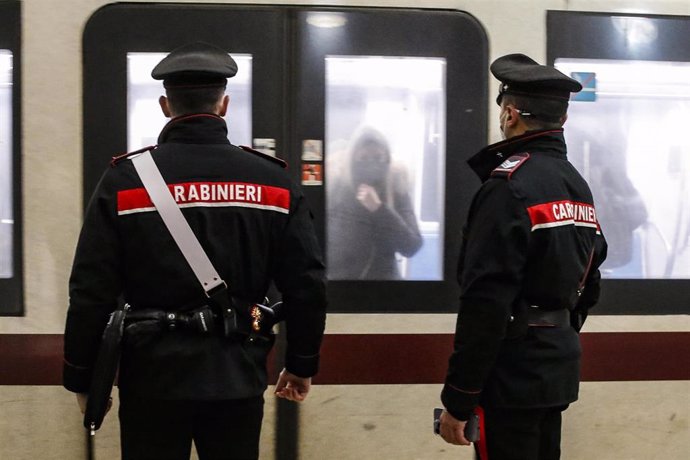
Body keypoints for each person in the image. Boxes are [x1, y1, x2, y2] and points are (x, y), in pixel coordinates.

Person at [63, 42, 327, 460]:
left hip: (152, 378)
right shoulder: (272, 182)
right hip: (236, 375)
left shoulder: (126, 181)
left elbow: (90, 289)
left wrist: (81, 376)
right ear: (224, 104)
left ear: (166, 105)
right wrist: (301, 363)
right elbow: (307, 284)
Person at [438, 53, 608, 459]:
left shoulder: (507, 187)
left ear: (511, 114)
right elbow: (591, 279)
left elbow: (485, 301)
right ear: (561, 121)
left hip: (510, 376)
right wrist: (554, 332)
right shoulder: (575, 185)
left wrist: (459, 397)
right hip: (556, 368)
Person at [327, 126, 422, 280]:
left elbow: (411, 245)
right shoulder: (337, 187)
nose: (371, 165)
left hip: (384, 286)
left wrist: (379, 209)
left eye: (378, 158)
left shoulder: (395, 187)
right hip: (341, 284)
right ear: (352, 159)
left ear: (387, 159)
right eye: (363, 158)